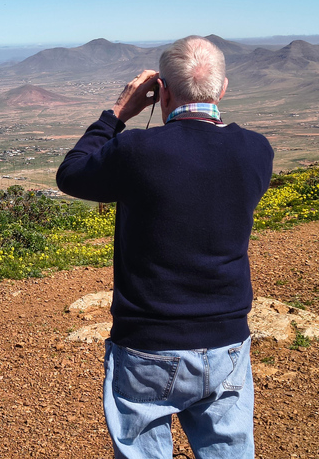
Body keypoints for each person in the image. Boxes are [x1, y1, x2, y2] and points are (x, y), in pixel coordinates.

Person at [56, 36, 273, 458]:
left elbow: (72, 173)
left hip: (148, 343)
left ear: (162, 92)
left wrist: (119, 111)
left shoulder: (136, 150)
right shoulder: (257, 150)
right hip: (227, 339)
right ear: (222, 87)